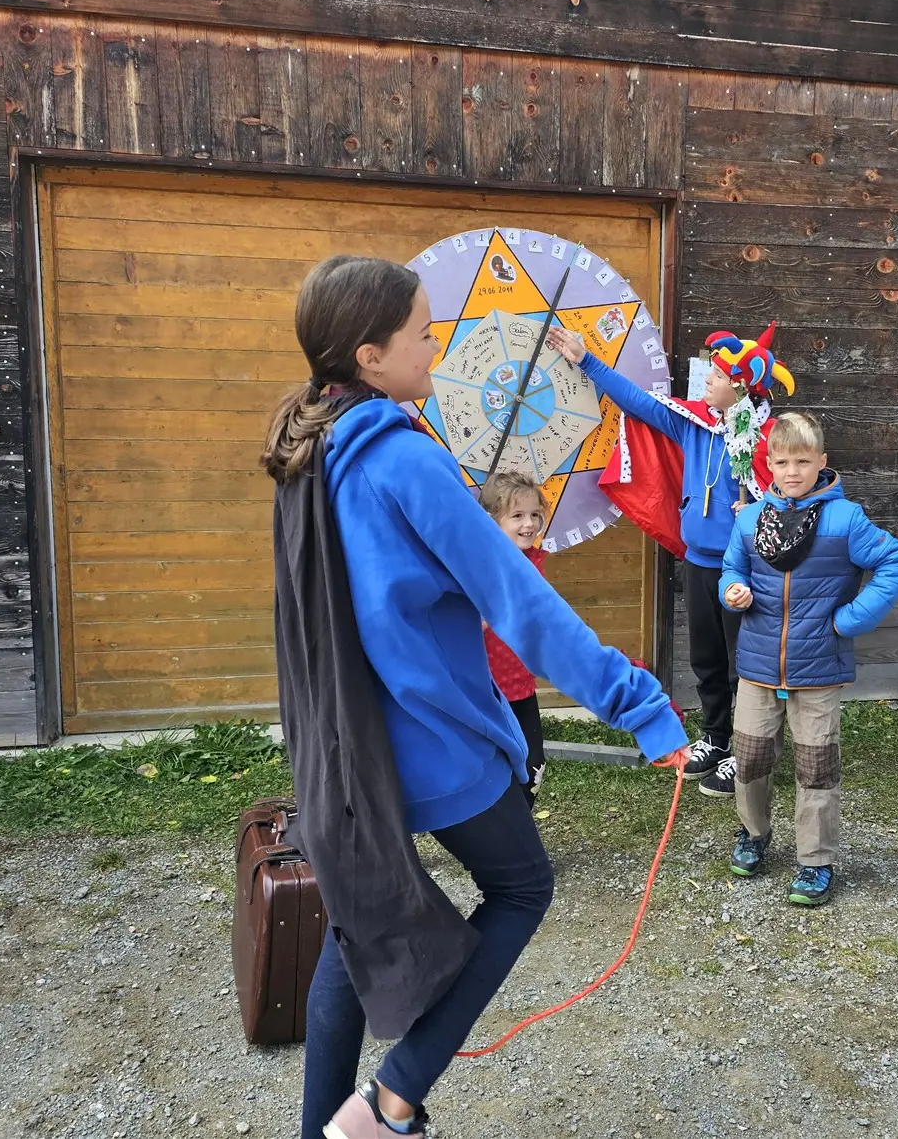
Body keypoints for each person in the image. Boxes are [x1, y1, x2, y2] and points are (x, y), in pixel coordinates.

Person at [262, 255, 687, 1139]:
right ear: (370, 356)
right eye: (423, 332)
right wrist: (638, 704)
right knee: (522, 887)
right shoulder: (398, 458)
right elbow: (517, 598)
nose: (438, 345)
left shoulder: (311, 446)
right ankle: (391, 1099)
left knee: (355, 928)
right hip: (426, 740)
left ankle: (324, 1131)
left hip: (345, 744)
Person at [549, 322, 794, 800]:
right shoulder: (695, 423)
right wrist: (586, 360)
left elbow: (793, 496)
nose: (707, 380)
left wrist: (763, 508)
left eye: (716, 376)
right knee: (707, 659)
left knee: (745, 665)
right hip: (699, 562)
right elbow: (638, 402)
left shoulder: (770, 438)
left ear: (741, 385)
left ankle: (751, 751)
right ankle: (716, 739)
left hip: (746, 570)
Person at [719, 412, 898, 906]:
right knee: (750, 760)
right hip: (758, 667)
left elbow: (895, 561)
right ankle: (753, 833)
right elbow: (731, 568)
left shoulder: (845, 520)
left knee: (816, 767)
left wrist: (852, 619)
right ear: (769, 464)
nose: (793, 472)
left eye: (803, 462)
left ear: (821, 462)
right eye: (783, 462)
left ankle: (815, 860)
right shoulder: (749, 520)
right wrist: (732, 591)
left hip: (819, 667)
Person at [478, 471, 551, 805]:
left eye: (535, 514)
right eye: (517, 515)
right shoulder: (478, 564)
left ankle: (519, 829)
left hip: (521, 684)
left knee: (532, 767)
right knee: (490, 771)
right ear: (492, 520)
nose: (529, 524)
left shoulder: (532, 561)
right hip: (485, 690)